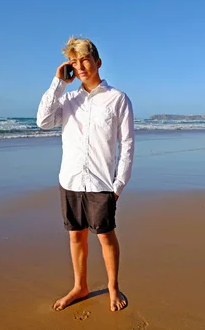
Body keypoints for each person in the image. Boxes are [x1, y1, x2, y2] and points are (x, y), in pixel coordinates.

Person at [36, 37, 135, 312]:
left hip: (101, 182)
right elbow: (43, 121)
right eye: (74, 62)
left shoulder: (117, 99)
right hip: (69, 180)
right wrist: (58, 83)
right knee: (75, 236)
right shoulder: (68, 100)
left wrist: (118, 185)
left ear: (97, 62)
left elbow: (126, 144)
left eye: (84, 60)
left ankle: (113, 288)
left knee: (105, 236)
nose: (80, 66)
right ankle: (80, 286)